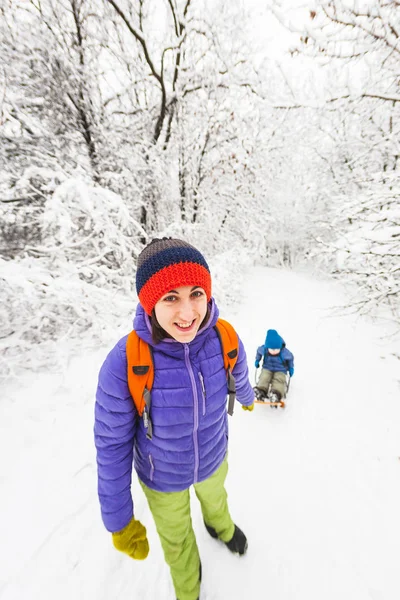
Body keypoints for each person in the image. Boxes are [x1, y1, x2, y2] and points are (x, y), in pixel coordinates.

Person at [94, 238, 255, 600]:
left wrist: (247, 398)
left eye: (196, 292)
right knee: (177, 538)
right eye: (170, 297)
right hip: (162, 477)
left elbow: (239, 373)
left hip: (214, 456)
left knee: (216, 500)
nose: (187, 312)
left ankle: (221, 528)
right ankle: (188, 588)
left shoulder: (223, 337)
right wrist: (118, 520)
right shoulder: (126, 361)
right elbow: (111, 445)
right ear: (149, 302)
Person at [254, 329, 294, 401]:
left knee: (279, 379)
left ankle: (276, 393)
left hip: (280, 370)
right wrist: (257, 360)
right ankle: (261, 390)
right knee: (264, 377)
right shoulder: (264, 349)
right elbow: (258, 351)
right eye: (271, 349)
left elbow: (290, 358)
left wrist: (291, 368)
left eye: (276, 349)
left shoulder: (284, 352)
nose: (274, 351)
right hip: (267, 368)